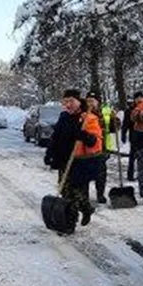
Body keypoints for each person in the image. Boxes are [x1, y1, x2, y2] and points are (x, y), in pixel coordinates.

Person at [45, 88, 103, 225]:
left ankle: (75, 217)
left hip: (81, 162)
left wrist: (85, 136)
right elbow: (56, 137)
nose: (68, 105)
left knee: (75, 193)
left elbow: (96, 142)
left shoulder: (88, 118)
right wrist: (50, 153)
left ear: (78, 101)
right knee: (65, 190)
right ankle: (72, 217)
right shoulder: (64, 116)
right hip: (64, 159)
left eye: (71, 101)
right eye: (65, 102)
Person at [86, 91, 120, 203]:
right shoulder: (83, 112)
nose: (90, 103)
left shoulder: (105, 112)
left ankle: (100, 194)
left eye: (93, 101)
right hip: (86, 147)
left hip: (102, 147)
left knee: (101, 173)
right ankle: (84, 194)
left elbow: (114, 128)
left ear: (98, 102)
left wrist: (115, 121)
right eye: (88, 101)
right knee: (84, 172)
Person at [121, 91, 142, 182]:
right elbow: (125, 124)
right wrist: (123, 134)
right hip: (134, 136)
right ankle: (130, 175)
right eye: (137, 98)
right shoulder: (129, 111)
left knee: (142, 157)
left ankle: (141, 174)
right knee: (132, 156)